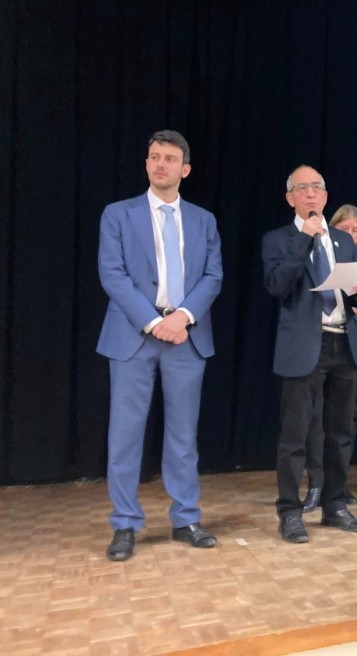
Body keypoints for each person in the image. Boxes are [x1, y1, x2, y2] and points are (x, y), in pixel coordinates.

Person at [97, 130, 223, 561]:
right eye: (154, 157)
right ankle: (124, 524)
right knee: (125, 434)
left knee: (183, 435)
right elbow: (112, 274)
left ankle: (186, 518)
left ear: (185, 169)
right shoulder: (118, 214)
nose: (160, 164)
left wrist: (181, 317)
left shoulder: (204, 220)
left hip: (186, 336)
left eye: (169, 158)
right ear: (147, 163)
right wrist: (154, 322)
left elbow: (213, 276)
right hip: (133, 336)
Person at [262, 165, 357, 543]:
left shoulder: (342, 241)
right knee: (295, 435)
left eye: (317, 187)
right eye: (302, 188)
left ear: (326, 196)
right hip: (304, 346)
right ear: (290, 197)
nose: (310, 193)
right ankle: (290, 513)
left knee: (340, 433)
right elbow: (278, 285)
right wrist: (304, 239)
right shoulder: (278, 240)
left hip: (344, 342)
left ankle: (335, 505)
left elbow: (349, 292)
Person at [301, 205, 357, 512]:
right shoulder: (320, 258)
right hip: (318, 343)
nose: (350, 234)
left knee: (345, 418)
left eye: (355, 230)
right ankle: (316, 484)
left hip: (354, 347)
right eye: (344, 228)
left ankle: (339, 485)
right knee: (314, 418)